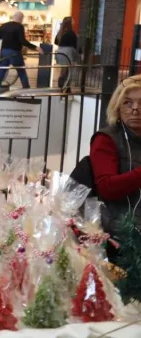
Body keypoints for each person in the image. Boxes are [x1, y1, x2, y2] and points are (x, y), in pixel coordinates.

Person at [89, 75, 141, 240]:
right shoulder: (106, 139)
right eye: (127, 103)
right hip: (120, 232)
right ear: (117, 108)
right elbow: (107, 188)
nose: (135, 109)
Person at [0, 11, 43, 89]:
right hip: (14, 52)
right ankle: (26, 88)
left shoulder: (3, 26)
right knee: (21, 71)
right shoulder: (19, 26)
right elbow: (22, 40)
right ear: (21, 18)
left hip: (4, 51)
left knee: (1, 72)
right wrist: (35, 47)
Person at [54, 16, 79, 91]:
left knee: (64, 70)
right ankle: (66, 87)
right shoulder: (71, 33)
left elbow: (56, 42)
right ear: (70, 23)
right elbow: (76, 45)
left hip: (60, 52)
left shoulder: (61, 32)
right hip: (68, 53)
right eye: (73, 21)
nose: (74, 22)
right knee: (68, 71)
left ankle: (62, 86)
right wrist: (80, 53)